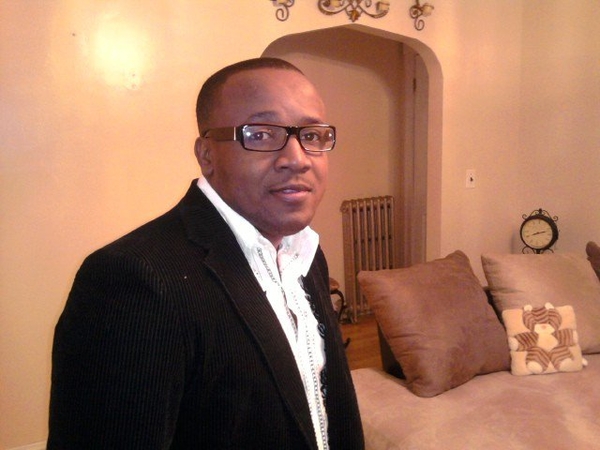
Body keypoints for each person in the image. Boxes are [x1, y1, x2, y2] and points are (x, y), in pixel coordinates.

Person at [48, 57, 364, 449]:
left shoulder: (304, 253)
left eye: (312, 135)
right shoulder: (134, 281)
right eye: (261, 134)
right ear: (207, 155)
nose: (297, 158)